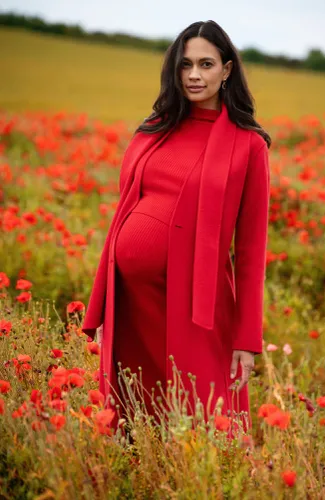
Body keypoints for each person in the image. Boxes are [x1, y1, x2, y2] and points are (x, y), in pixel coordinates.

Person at [82, 20, 271, 432]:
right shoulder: (154, 130)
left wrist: (247, 341)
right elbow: (122, 217)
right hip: (132, 302)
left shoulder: (249, 146)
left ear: (227, 70)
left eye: (206, 64)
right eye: (185, 65)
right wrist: (100, 306)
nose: (194, 75)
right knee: (134, 412)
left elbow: (253, 251)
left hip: (195, 306)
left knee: (203, 415)